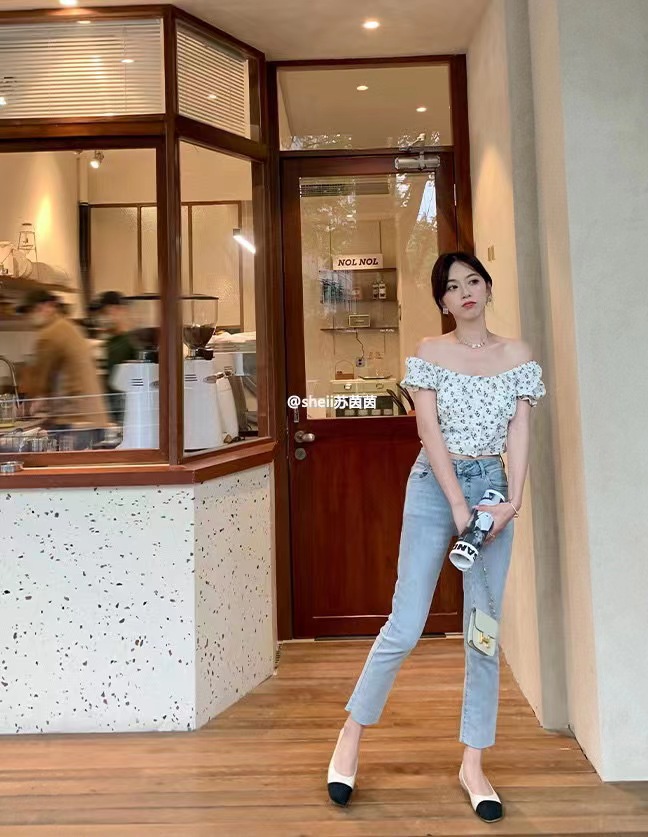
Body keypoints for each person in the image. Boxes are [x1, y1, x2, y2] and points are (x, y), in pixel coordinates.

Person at [326, 252, 546, 824]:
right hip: (433, 486)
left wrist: (512, 502)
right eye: (452, 286)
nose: (465, 291)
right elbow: (428, 430)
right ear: (443, 301)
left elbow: (520, 431)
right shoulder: (429, 352)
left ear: (488, 287)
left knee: (483, 632)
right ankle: (351, 733)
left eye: (473, 280)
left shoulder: (518, 356)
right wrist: (456, 505)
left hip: (493, 488)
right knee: (405, 624)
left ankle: (473, 764)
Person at [18, 288, 110, 450]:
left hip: (74, 419)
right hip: (93, 418)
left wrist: (24, 408)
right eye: (29, 312)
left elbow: (40, 382)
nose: (31, 316)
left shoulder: (49, 335)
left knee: (69, 464)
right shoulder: (68, 327)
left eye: (34, 310)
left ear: (49, 306)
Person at [92, 291, 137, 424]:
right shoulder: (111, 342)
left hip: (126, 409)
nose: (102, 318)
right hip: (112, 409)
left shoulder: (132, 341)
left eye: (106, 312)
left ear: (120, 310)